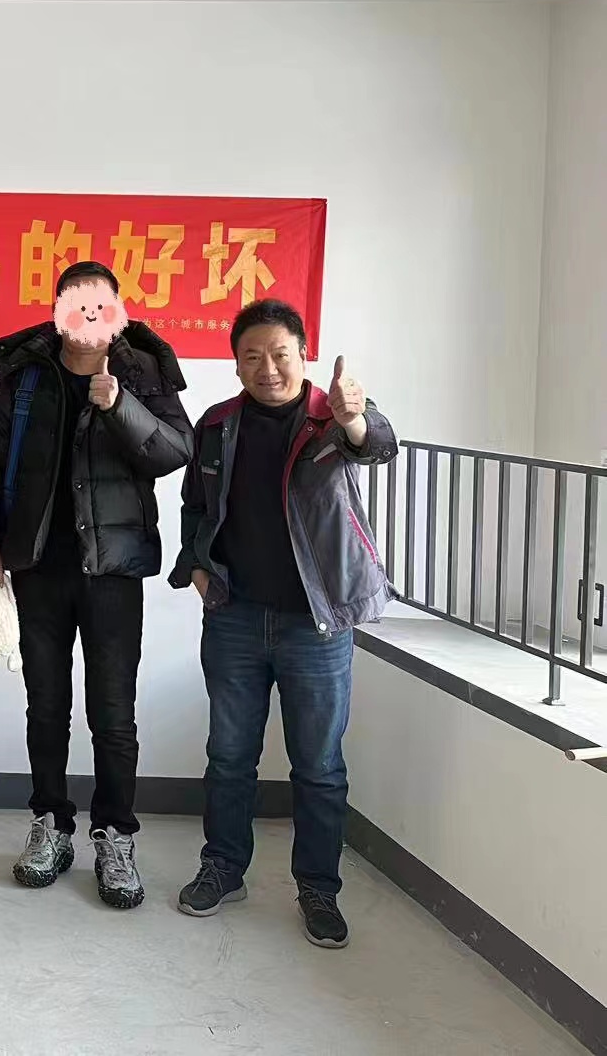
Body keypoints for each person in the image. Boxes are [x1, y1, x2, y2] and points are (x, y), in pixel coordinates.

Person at [170, 299, 396, 949]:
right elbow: (195, 506)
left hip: (317, 625)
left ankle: (318, 889)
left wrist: (354, 419)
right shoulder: (218, 425)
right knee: (229, 756)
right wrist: (197, 568)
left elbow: (378, 443)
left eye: (279, 354)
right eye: (252, 356)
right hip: (235, 618)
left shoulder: (333, 416)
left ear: (303, 354)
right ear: (236, 364)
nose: (267, 367)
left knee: (318, 765)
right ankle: (223, 868)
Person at [0, 261, 191, 909]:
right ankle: (51, 824)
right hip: (38, 566)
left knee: (113, 714)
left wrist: (120, 407)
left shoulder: (141, 372)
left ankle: (115, 836)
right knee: (46, 707)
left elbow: (173, 452)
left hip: (113, 570)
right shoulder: (25, 377)